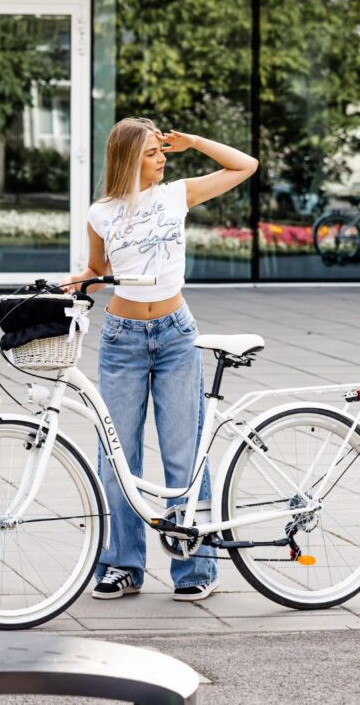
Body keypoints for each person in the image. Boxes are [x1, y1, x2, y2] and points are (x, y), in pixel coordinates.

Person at [65, 117, 256, 602]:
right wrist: (74, 281)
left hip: (175, 335)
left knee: (183, 451)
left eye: (162, 150)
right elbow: (97, 270)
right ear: (129, 158)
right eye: (152, 152)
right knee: (117, 456)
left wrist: (194, 140)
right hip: (122, 339)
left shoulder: (176, 194)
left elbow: (245, 165)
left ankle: (196, 568)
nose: (162, 158)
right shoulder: (100, 214)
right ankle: (122, 565)